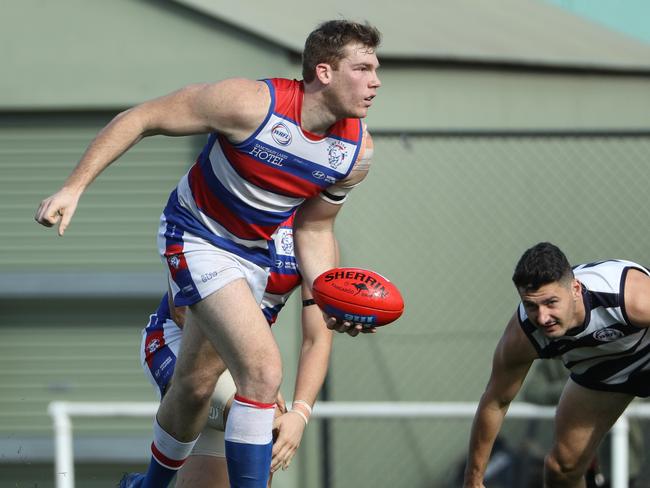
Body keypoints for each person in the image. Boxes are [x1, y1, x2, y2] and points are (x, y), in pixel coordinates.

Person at [35, 19, 381, 488]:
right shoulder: (249, 104)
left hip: (250, 259)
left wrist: (327, 297)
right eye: (362, 68)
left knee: (197, 387)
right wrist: (74, 188)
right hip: (195, 234)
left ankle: (147, 485)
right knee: (262, 372)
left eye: (376, 69)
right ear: (323, 72)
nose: (375, 80)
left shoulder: (354, 153)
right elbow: (142, 117)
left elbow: (315, 227)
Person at [142, 214, 332, 486]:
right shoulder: (224, 202)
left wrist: (300, 414)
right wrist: (252, 373)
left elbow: (317, 339)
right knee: (264, 417)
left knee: (274, 422)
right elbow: (183, 311)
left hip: (239, 362)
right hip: (176, 343)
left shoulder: (312, 230)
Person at [463, 242, 650, 488]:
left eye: (551, 302)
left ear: (575, 288)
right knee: (562, 468)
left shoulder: (630, 298)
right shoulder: (523, 335)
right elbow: (496, 402)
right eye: (531, 305)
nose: (542, 317)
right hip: (600, 373)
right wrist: (473, 481)